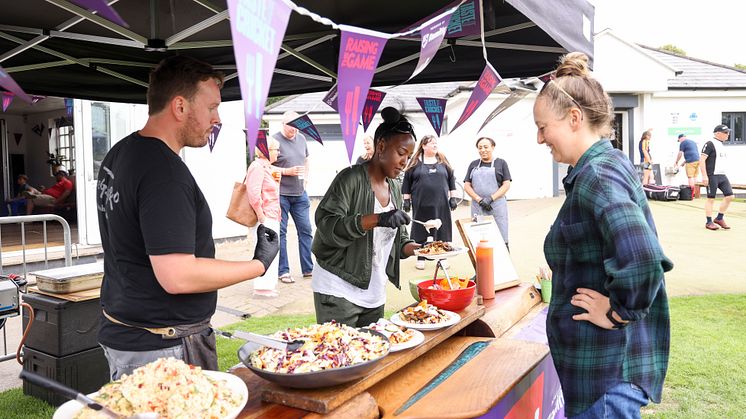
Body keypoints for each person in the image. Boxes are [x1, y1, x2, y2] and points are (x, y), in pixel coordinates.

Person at [95, 55, 279, 380]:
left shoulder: (121, 151)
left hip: (127, 333)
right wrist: (258, 265)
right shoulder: (164, 172)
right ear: (180, 107)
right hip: (161, 350)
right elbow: (177, 276)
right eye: (211, 107)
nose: (217, 118)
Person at [534, 52, 672, 418]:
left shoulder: (597, 174)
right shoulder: (602, 167)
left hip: (605, 380)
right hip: (600, 380)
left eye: (543, 126)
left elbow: (643, 258)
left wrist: (616, 313)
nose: (538, 137)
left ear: (574, 118)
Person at [311, 107, 419, 327]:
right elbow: (327, 225)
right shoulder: (350, 178)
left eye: (408, 157)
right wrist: (378, 219)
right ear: (381, 147)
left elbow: (399, 243)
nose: (404, 162)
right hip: (338, 290)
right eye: (401, 153)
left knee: (373, 354)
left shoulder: (395, 188)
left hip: (374, 293)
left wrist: (425, 249)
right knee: (340, 357)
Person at [402, 135, 458, 270]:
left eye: (435, 143)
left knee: (442, 230)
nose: (434, 145)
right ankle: (421, 257)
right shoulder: (415, 163)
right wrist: (406, 200)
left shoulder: (443, 161)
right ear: (423, 146)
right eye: (431, 143)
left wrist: (453, 197)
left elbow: (451, 179)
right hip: (421, 204)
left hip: (441, 204)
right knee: (421, 230)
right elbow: (407, 182)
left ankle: (442, 257)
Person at [272, 110, 313, 284]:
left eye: (297, 127)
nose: (294, 130)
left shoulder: (302, 139)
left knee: (306, 230)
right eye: (291, 127)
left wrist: (306, 179)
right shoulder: (274, 141)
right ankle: (283, 271)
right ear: (283, 124)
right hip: (281, 195)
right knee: (281, 234)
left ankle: (308, 269)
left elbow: (306, 160)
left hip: (300, 194)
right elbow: (266, 167)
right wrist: (286, 172)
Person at [246, 137, 282, 297]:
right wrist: (262, 217)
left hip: (272, 215)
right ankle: (262, 287)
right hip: (265, 217)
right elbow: (253, 194)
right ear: (267, 150)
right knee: (265, 251)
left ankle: (268, 285)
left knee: (272, 251)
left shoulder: (267, 167)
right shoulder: (257, 167)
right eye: (276, 149)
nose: (278, 153)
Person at [463, 137, 512, 248]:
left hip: (497, 206)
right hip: (478, 207)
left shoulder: (501, 163)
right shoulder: (473, 164)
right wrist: (479, 200)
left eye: (486, 147)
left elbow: (506, 184)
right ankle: (482, 264)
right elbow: (467, 185)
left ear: (493, 147)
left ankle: (503, 264)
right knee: (480, 239)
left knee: (501, 237)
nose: (483, 150)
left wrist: (491, 198)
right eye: (480, 147)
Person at [700, 124, 735, 230]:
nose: (727, 135)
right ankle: (709, 222)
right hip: (712, 175)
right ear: (717, 133)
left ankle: (719, 218)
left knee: (730, 196)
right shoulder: (710, 144)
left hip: (722, 175)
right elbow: (702, 160)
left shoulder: (722, 145)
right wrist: (704, 176)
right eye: (725, 133)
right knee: (711, 199)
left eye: (728, 132)